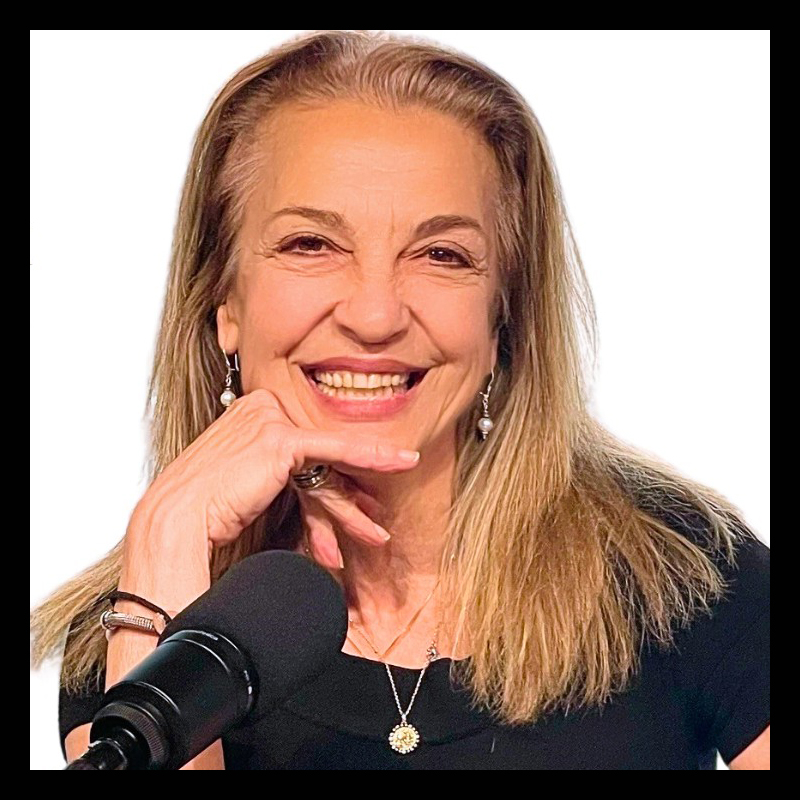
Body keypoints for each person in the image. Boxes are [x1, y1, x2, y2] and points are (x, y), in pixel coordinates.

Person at [30, 30, 769, 770]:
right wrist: (168, 537)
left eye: (441, 255)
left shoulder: (687, 580)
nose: (375, 315)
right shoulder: (131, 626)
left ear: (502, 316)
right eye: (311, 245)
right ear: (226, 301)